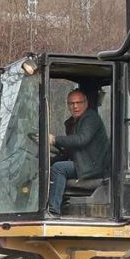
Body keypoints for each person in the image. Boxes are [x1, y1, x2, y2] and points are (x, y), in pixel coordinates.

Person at [49, 86, 114, 214]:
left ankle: (53, 210)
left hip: (93, 166)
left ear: (86, 103)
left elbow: (81, 139)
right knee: (51, 166)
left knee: (59, 168)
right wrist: (48, 160)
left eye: (78, 103)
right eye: (72, 103)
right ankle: (60, 205)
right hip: (82, 163)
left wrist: (55, 140)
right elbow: (70, 150)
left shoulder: (90, 118)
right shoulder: (73, 122)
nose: (75, 106)